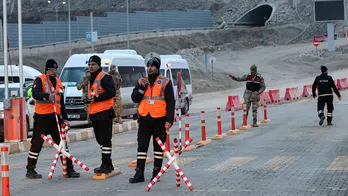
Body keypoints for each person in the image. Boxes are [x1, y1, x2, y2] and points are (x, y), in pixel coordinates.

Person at [25, 59, 80, 179]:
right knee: (36, 144)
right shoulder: (40, 80)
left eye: (55, 70)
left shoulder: (59, 83)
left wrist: (65, 118)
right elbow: (35, 94)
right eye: (51, 69)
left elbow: (62, 103)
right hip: (42, 118)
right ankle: (30, 169)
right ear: (46, 70)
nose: (53, 72)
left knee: (62, 144)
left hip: (56, 118)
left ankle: (69, 169)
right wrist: (47, 96)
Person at [129, 54, 175, 183]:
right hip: (144, 118)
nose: (150, 68)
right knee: (142, 147)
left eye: (152, 66)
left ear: (158, 68)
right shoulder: (141, 81)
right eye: (148, 66)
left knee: (158, 148)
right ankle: (139, 174)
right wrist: (142, 88)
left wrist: (169, 120)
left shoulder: (165, 82)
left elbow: (171, 102)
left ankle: (156, 173)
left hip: (159, 119)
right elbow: (135, 98)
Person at [85, 55, 116, 174]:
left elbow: (111, 92)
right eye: (89, 65)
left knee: (105, 139)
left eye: (93, 65)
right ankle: (109, 163)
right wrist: (89, 99)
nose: (90, 67)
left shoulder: (105, 77)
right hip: (95, 113)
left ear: (99, 65)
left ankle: (105, 165)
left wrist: (96, 98)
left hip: (104, 112)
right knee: (100, 140)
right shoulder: (91, 79)